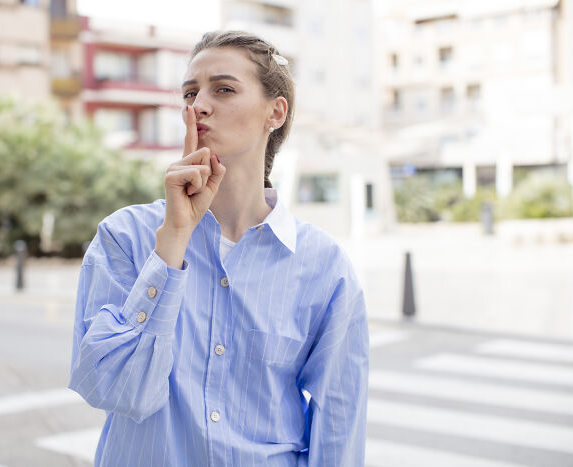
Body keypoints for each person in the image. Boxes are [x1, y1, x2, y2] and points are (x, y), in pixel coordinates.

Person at [69, 30, 369, 467]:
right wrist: (171, 244)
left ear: (275, 112)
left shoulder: (324, 267)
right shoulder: (125, 237)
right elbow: (114, 390)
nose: (199, 105)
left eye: (223, 89)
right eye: (190, 92)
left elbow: (339, 425)